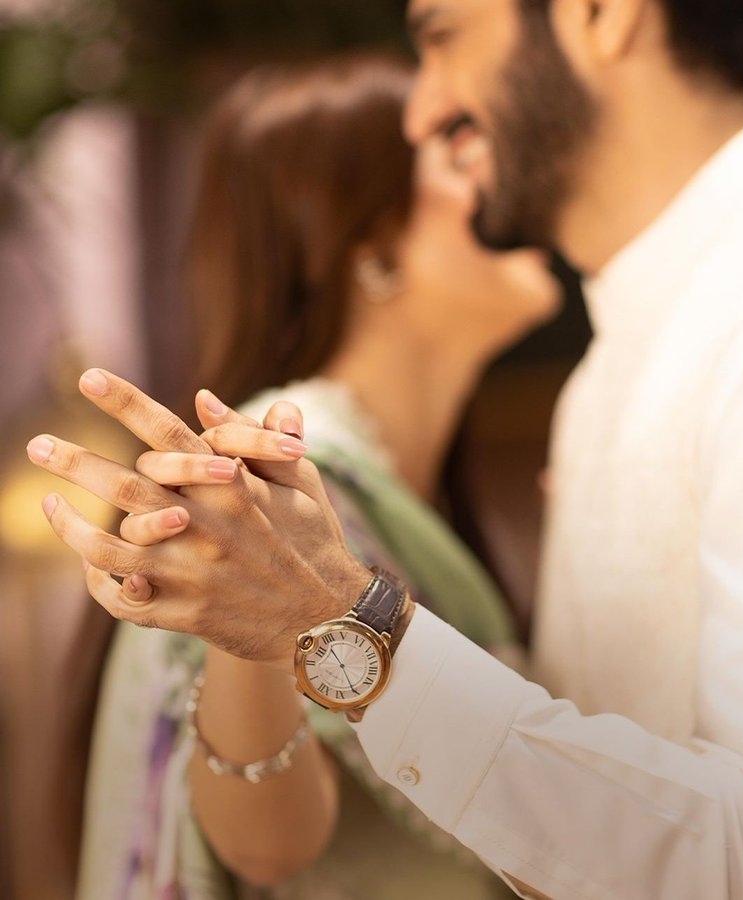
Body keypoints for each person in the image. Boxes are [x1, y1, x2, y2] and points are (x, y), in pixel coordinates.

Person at [27, 0, 743, 896]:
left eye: (445, 33)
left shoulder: (706, 337)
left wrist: (336, 619)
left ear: (604, 15)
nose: (430, 117)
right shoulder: (303, 465)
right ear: (369, 249)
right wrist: (303, 619)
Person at [32, 55, 558, 899]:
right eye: (459, 156)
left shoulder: (404, 488)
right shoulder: (265, 480)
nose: (504, 175)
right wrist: (255, 631)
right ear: (373, 245)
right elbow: (269, 850)